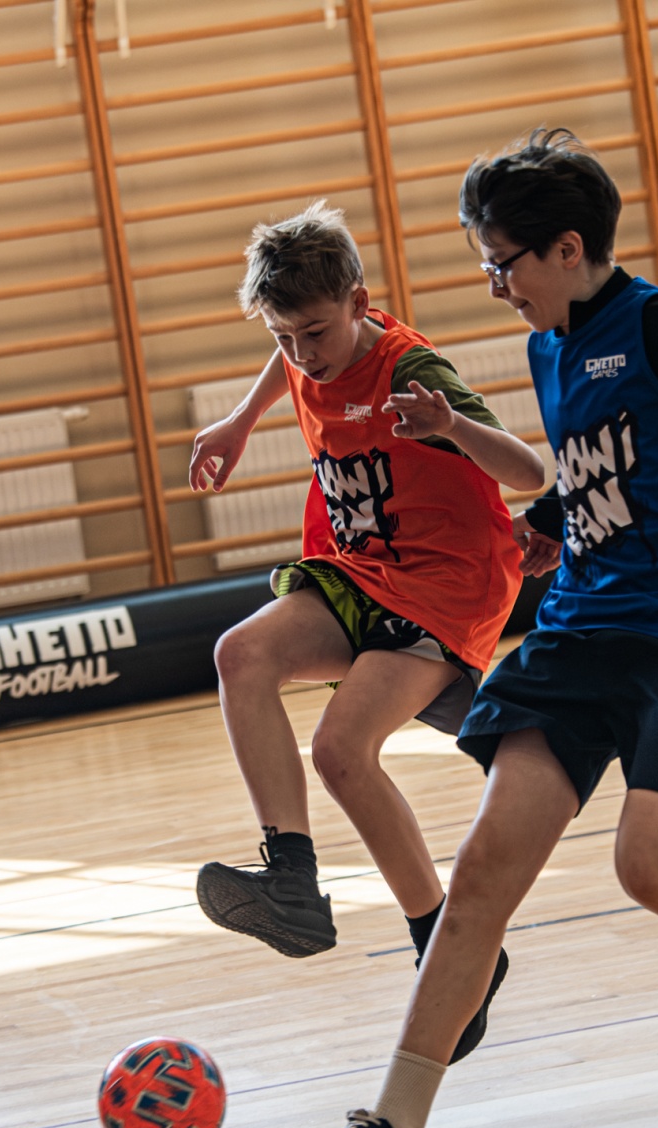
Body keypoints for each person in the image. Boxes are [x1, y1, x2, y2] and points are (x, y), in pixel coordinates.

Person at [259, 129, 658, 1128]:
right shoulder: (554, 346)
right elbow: (609, 469)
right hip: (587, 634)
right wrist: (549, 524)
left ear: (567, 248)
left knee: (653, 869)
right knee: (485, 868)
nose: (494, 285)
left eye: (502, 263)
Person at [188, 201, 543, 1060]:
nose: (302, 354)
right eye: (283, 337)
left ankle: (446, 948)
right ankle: (291, 878)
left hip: (445, 584)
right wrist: (241, 420)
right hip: (365, 566)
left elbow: (530, 472)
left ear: (359, 302)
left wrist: (449, 426)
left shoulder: (410, 368)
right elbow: (293, 360)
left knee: (341, 751)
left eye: (315, 332)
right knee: (240, 653)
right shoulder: (302, 347)